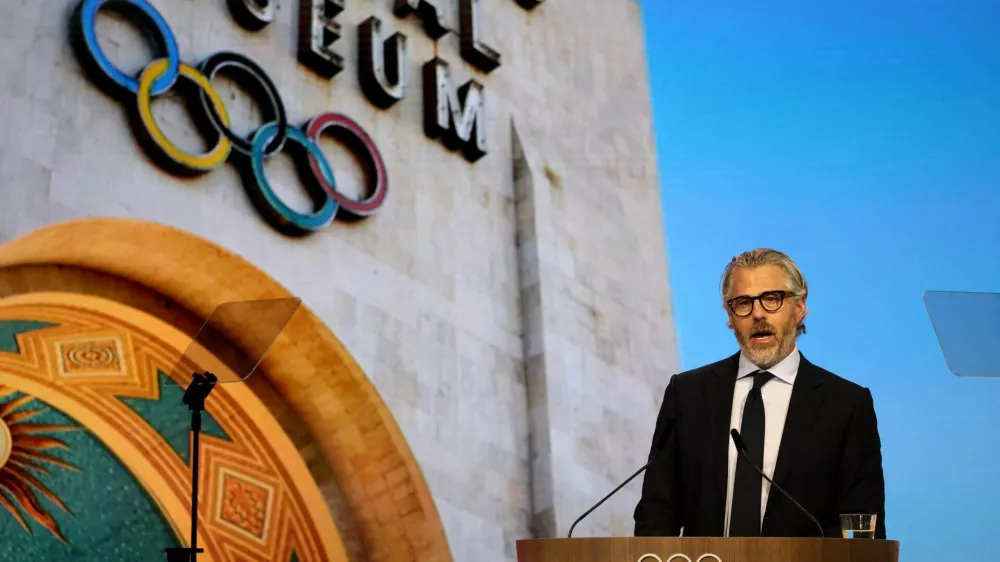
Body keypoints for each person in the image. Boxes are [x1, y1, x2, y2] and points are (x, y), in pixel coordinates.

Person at [633, 248, 886, 539]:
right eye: (743, 303)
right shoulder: (687, 394)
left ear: (799, 306)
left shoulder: (846, 405)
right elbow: (657, 508)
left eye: (771, 299)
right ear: (729, 315)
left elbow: (863, 525)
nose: (757, 313)